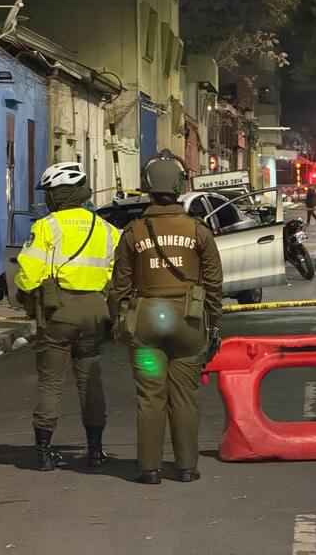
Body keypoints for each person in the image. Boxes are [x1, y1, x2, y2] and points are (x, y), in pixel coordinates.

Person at [107, 150, 223, 484]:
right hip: (188, 322)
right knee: (184, 396)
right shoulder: (198, 231)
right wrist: (213, 323)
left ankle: (149, 468)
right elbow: (214, 283)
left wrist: (118, 322)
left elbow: (120, 287)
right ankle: (187, 466)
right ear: (178, 186)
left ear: (147, 187)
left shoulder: (133, 232)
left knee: (150, 396)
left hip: (146, 324)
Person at [15, 162, 120, 471]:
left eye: (49, 193)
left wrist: (28, 290)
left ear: (58, 195)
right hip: (94, 311)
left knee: (50, 382)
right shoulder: (107, 229)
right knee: (90, 381)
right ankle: (96, 451)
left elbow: (28, 274)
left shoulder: (47, 226)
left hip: (59, 311)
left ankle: (44, 452)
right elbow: (116, 275)